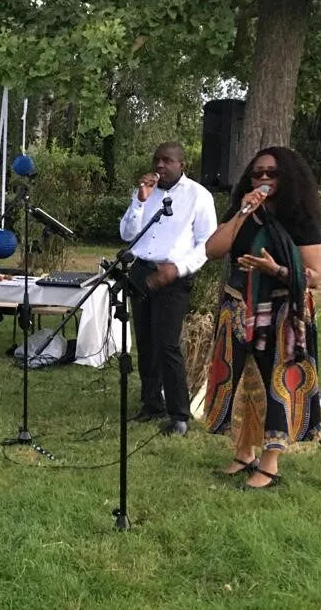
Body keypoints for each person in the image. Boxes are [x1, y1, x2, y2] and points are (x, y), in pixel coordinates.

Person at [204, 147, 321, 489]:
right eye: (258, 173)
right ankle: (244, 453)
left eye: (272, 173)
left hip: (284, 312)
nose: (265, 179)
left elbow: (315, 275)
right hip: (241, 307)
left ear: (287, 177)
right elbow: (213, 250)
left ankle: (269, 464)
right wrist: (243, 211)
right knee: (242, 382)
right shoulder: (243, 211)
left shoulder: (299, 217)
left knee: (277, 385)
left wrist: (277, 269)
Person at [120, 141, 218, 436]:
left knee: (167, 344)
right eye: (156, 160)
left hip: (173, 275)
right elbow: (127, 233)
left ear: (181, 165)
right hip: (142, 271)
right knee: (146, 342)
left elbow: (208, 244)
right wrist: (139, 200)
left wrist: (179, 269)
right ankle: (151, 404)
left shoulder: (198, 196)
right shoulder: (145, 192)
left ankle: (179, 414)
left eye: (167, 160)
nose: (160, 166)